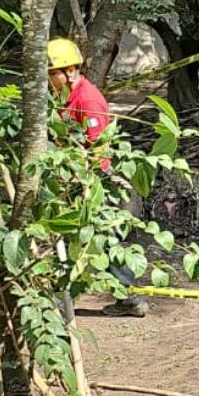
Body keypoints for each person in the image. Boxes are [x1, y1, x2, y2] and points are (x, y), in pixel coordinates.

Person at [47, 38, 147, 318]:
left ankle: (126, 297)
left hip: (96, 180)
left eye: (50, 74)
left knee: (98, 239)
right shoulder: (64, 96)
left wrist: (81, 182)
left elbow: (98, 147)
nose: (48, 81)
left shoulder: (86, 98)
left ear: (67, 71)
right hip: (75, 178)